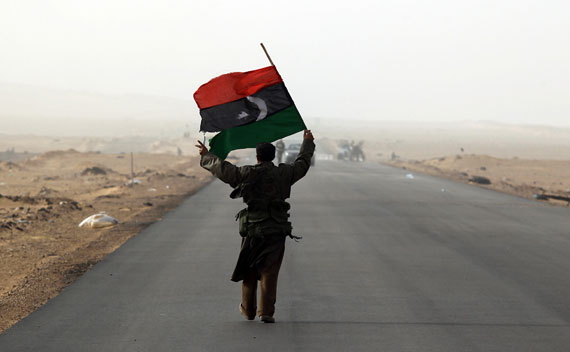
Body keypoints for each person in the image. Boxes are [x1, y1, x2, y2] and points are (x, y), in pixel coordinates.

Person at [195, 130, 315, 323]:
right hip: (276, 229)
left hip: (253, 229)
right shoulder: (283, 173)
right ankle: (266, 312)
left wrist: (206, 155)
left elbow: (225, 171)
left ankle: (248, 310)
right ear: (273, 156)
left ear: (257, 157)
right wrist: (307, 143)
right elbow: (302, 164)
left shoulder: (247, 173)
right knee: (270, 271)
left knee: (249, 270)